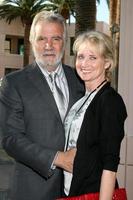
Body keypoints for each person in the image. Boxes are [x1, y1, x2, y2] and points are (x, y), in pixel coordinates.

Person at [0, 11, 84, 200]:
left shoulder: (80, 80)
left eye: (55, 38)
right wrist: (58, 159)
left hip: (79, 187)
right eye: (41, 39)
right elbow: (11, 139)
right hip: (33, 190)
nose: (48, 46)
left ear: (64, 42)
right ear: (31, 41)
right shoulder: (13, 83)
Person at [63, 31, 127, 199]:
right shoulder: (82, 99)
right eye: (80, 56)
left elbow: (110, 165)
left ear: (106, 62)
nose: (84, 63)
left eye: (93, 57)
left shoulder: (110, 101)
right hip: (72, 190)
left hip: (94, 193)